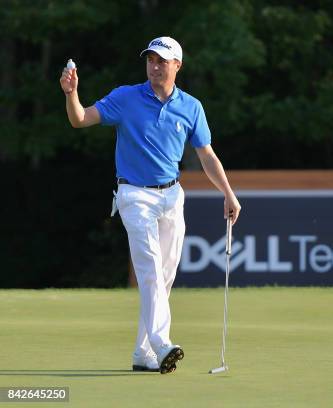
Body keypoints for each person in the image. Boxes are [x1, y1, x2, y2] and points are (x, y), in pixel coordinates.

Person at [59, 36, 241, 374]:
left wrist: (228, 193)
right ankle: (162, 344)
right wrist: (72, 94)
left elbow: (207, 155)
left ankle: (143, 354)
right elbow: (80, 119)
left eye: (162, 61)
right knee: (151, 271)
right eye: (150, 60)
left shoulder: (191, 107)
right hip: (134, 196)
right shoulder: (126, 97)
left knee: (165, 277)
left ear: (177, 66)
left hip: (172, 196)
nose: (155, 66)